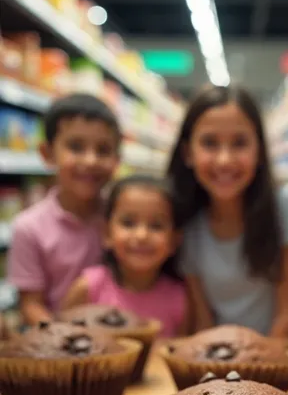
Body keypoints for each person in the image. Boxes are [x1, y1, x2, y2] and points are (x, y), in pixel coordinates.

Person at [167, 84, 288, 336]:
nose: (225, 160)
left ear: (259, 151)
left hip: (277, 362)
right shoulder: (186, 225)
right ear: (188, 153)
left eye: (240, 143)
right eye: (210, 143)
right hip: (214, 362)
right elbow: (204, 323)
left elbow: (287, 316)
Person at [7, 93, 121, 325]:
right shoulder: (29, 228)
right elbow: (30, 304)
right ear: (47, 154)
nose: (90, 160)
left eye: (103, 150)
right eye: (76, 147)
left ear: (117, 159)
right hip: (58, 347)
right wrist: (63, 335)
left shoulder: (122, 218)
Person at [62, 175, 188, 336]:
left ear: (174, 240)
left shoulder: (179, 299)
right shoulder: (89, 288)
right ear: (107, 233)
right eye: (128, 223)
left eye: (156, 226)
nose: (142, 235)